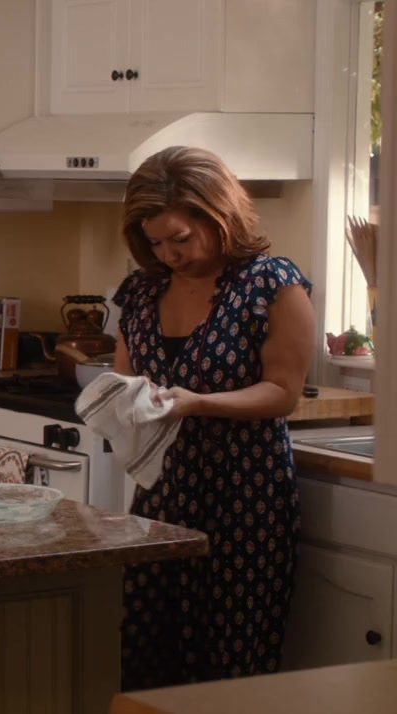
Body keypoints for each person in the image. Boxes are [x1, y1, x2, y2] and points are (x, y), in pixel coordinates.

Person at [112, 146, 316, 689]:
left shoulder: (271, 284)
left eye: (180, 239)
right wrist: (116, 404)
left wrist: (199, 403)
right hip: (160, 497)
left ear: (218, 215)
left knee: (232, 663)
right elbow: (126, 379)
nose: (169, 254)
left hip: (245, 498)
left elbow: (283, 392)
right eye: (155, 243)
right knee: (142, 654)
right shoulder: (142, 291)